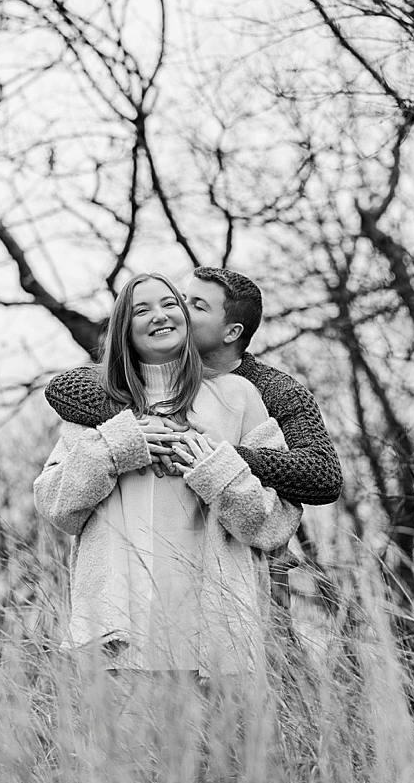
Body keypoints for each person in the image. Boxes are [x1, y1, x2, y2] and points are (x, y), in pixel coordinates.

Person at [33, 273, 302, 677]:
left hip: (218, 648)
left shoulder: (238, 397)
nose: (159, 316)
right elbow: (56, 505)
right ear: (126, 327)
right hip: (117, 647)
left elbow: (276, 522)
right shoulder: (96, 405)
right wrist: (115, 447)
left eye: (170, 304)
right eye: (142, 309)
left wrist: (215, 469)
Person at [45, 266, 342, 506]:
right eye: (183, 299)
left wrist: (219, 455)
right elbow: (63, 388)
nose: (179, 311)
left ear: (231, 333)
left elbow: (322, 474)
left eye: (196, 306)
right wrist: (149, 423)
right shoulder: (147, 375)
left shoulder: (274, 390)